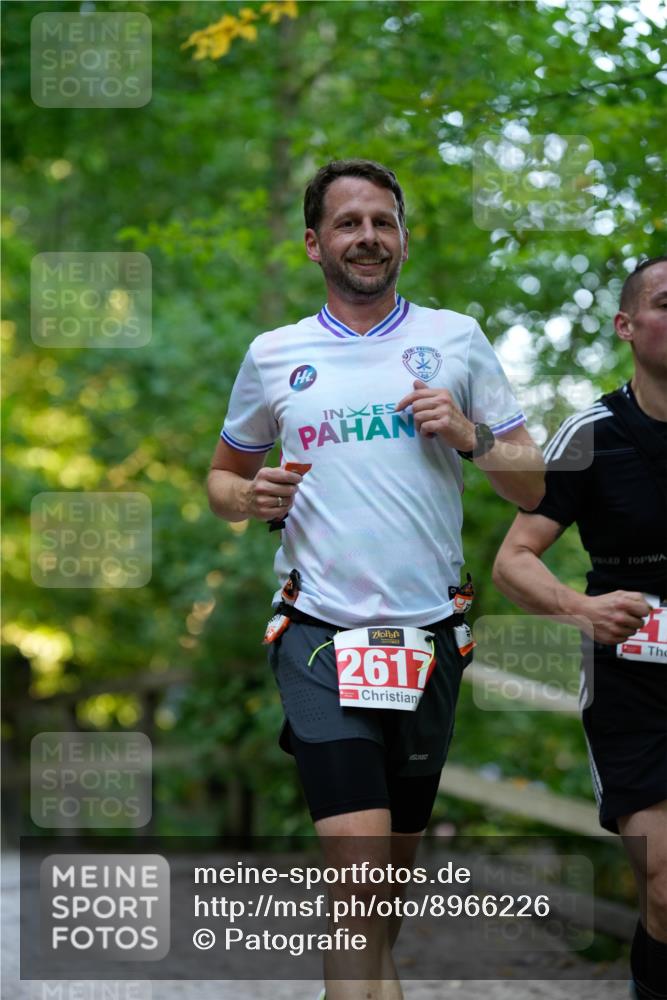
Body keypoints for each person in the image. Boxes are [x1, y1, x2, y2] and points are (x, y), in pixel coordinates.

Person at [207, 158, 544, 1000]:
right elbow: (220, 480)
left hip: (429, 638)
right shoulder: (275, 354)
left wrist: (468, 435)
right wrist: (248, 497)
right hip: (318, 633)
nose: (367, 237)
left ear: (403, 238)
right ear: (313, 242)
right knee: (359, 877)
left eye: (382, 222)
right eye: (348, 223)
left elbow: (533, 484)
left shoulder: (455, 338)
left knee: (378, 900)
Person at [492, 256, 667, 1000]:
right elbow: (513, 560)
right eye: (666, 303)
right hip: (633, 687)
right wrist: (581, 609)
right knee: (664, 885)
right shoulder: (590, 433)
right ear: (626, 325)